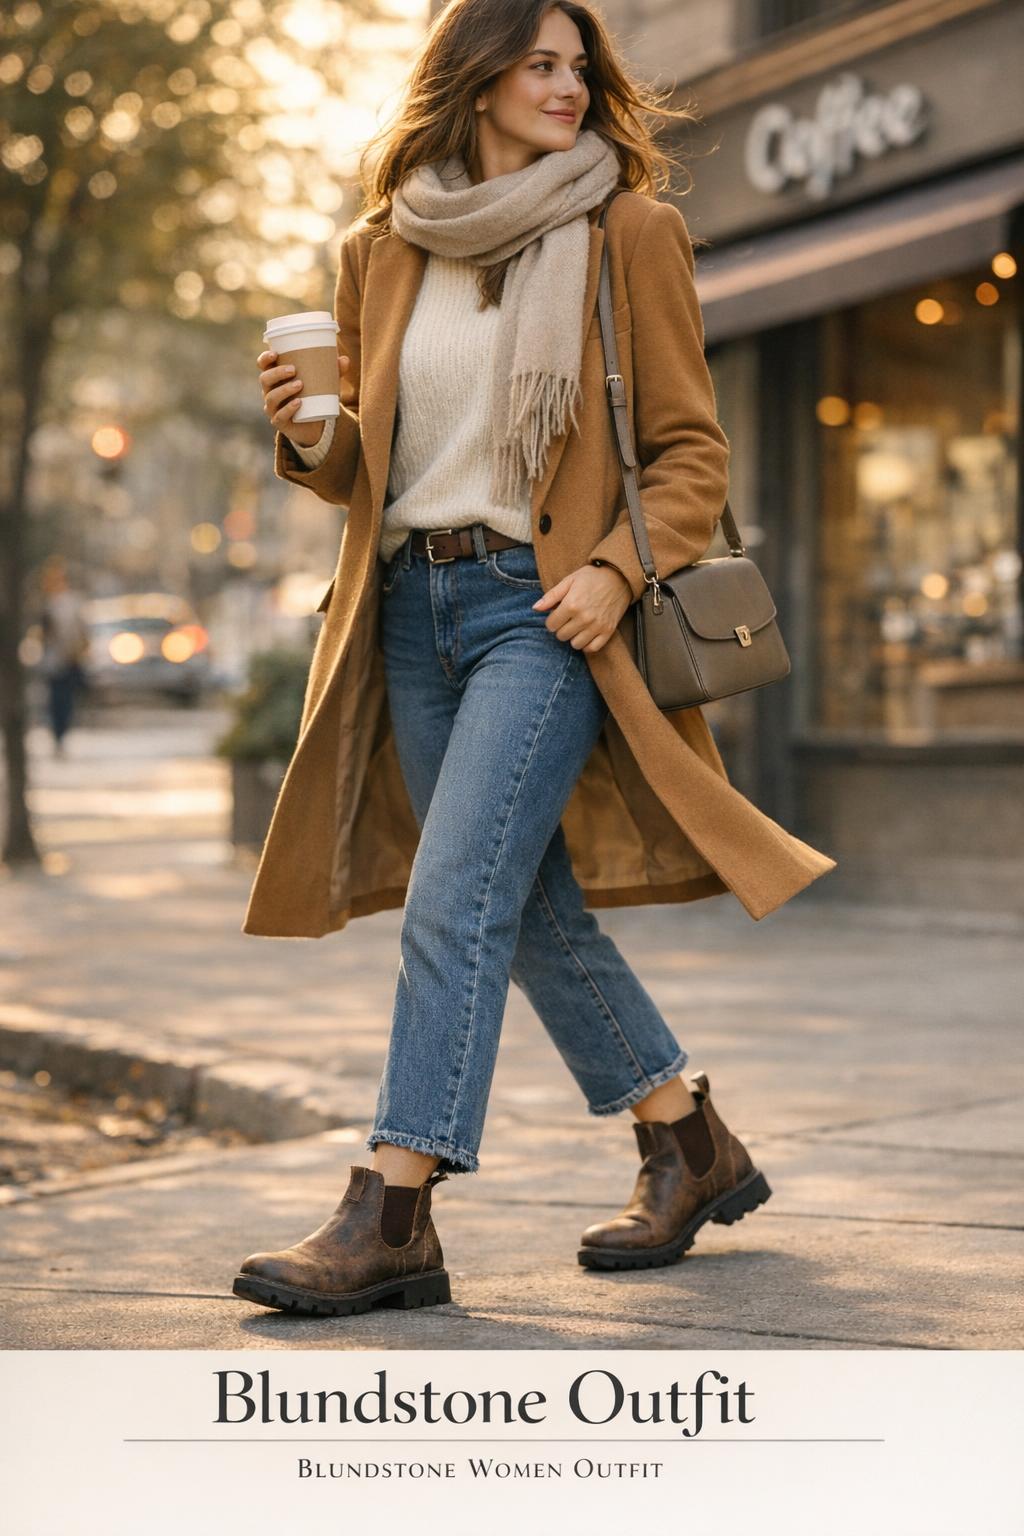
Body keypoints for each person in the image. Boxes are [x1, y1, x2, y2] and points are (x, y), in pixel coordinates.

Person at [233, 0, 834, 1319]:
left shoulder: (629, 232)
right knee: (525, 903)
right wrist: (311, 435)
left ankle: (394, 1209)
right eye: (539, 64)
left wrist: (614, 570)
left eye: (578, 67)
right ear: (475, 78)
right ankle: (686, 1140)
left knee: (454, 896)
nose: (567, 86)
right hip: (410, 608)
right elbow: (365, 467)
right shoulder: (381, 249)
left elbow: (690, 453)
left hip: (546, 610)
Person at [38, 557, 90, 757]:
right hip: (55, 662)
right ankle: (58, 736)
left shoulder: (70, 603)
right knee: (57, 702)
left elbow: (81, 632)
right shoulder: (48, 604)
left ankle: (61, 735)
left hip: (68, 660)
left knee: (64, 701)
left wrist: (77, 651)